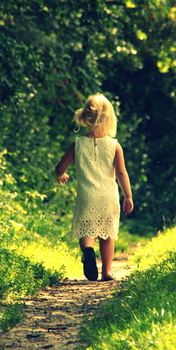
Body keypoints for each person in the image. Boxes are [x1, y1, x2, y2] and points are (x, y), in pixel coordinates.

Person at [55, 94, 134, 281]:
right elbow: (122, 172)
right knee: (107, 235)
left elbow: (59, 168)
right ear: (109, 118)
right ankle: (106, 272)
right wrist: (128, 196)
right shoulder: (114, 145)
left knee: (86, 229)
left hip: (86, 196)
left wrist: (61, 176)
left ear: (86, 117)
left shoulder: (77, 144)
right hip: (108, 196)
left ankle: (88, 251)